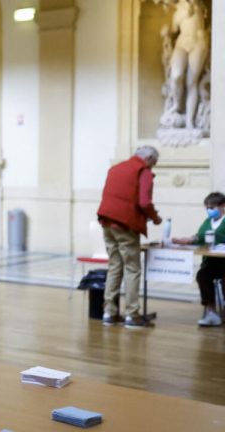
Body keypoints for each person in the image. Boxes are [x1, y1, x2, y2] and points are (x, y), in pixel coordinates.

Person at [97, 146, 162, 329]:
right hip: (125, 224)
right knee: (132, 268)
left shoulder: (116, 168)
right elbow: (144, 202)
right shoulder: (143, 171)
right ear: (148, 158)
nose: (153, 167)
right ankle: (132, 315)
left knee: (114, 266)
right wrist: (155, 218)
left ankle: (109, 313)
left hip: (106, 221)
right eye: (154, 162)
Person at [172, 192, 225, 327]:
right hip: (211, 261)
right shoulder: (208, 221)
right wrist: (186, 240)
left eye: (212, 207)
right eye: (207, 207)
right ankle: (211, 312)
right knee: (202, 276)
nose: (209, 210)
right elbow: (200, 236)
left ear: (222, 206)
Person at [167, 0, 209, 129]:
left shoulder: (200, 6)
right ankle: (176, 106)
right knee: (176, 75)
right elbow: (173, 29)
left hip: (198, 41)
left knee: (191, 82)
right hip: (182, 42)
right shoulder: (178, 8)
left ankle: (189, 121)